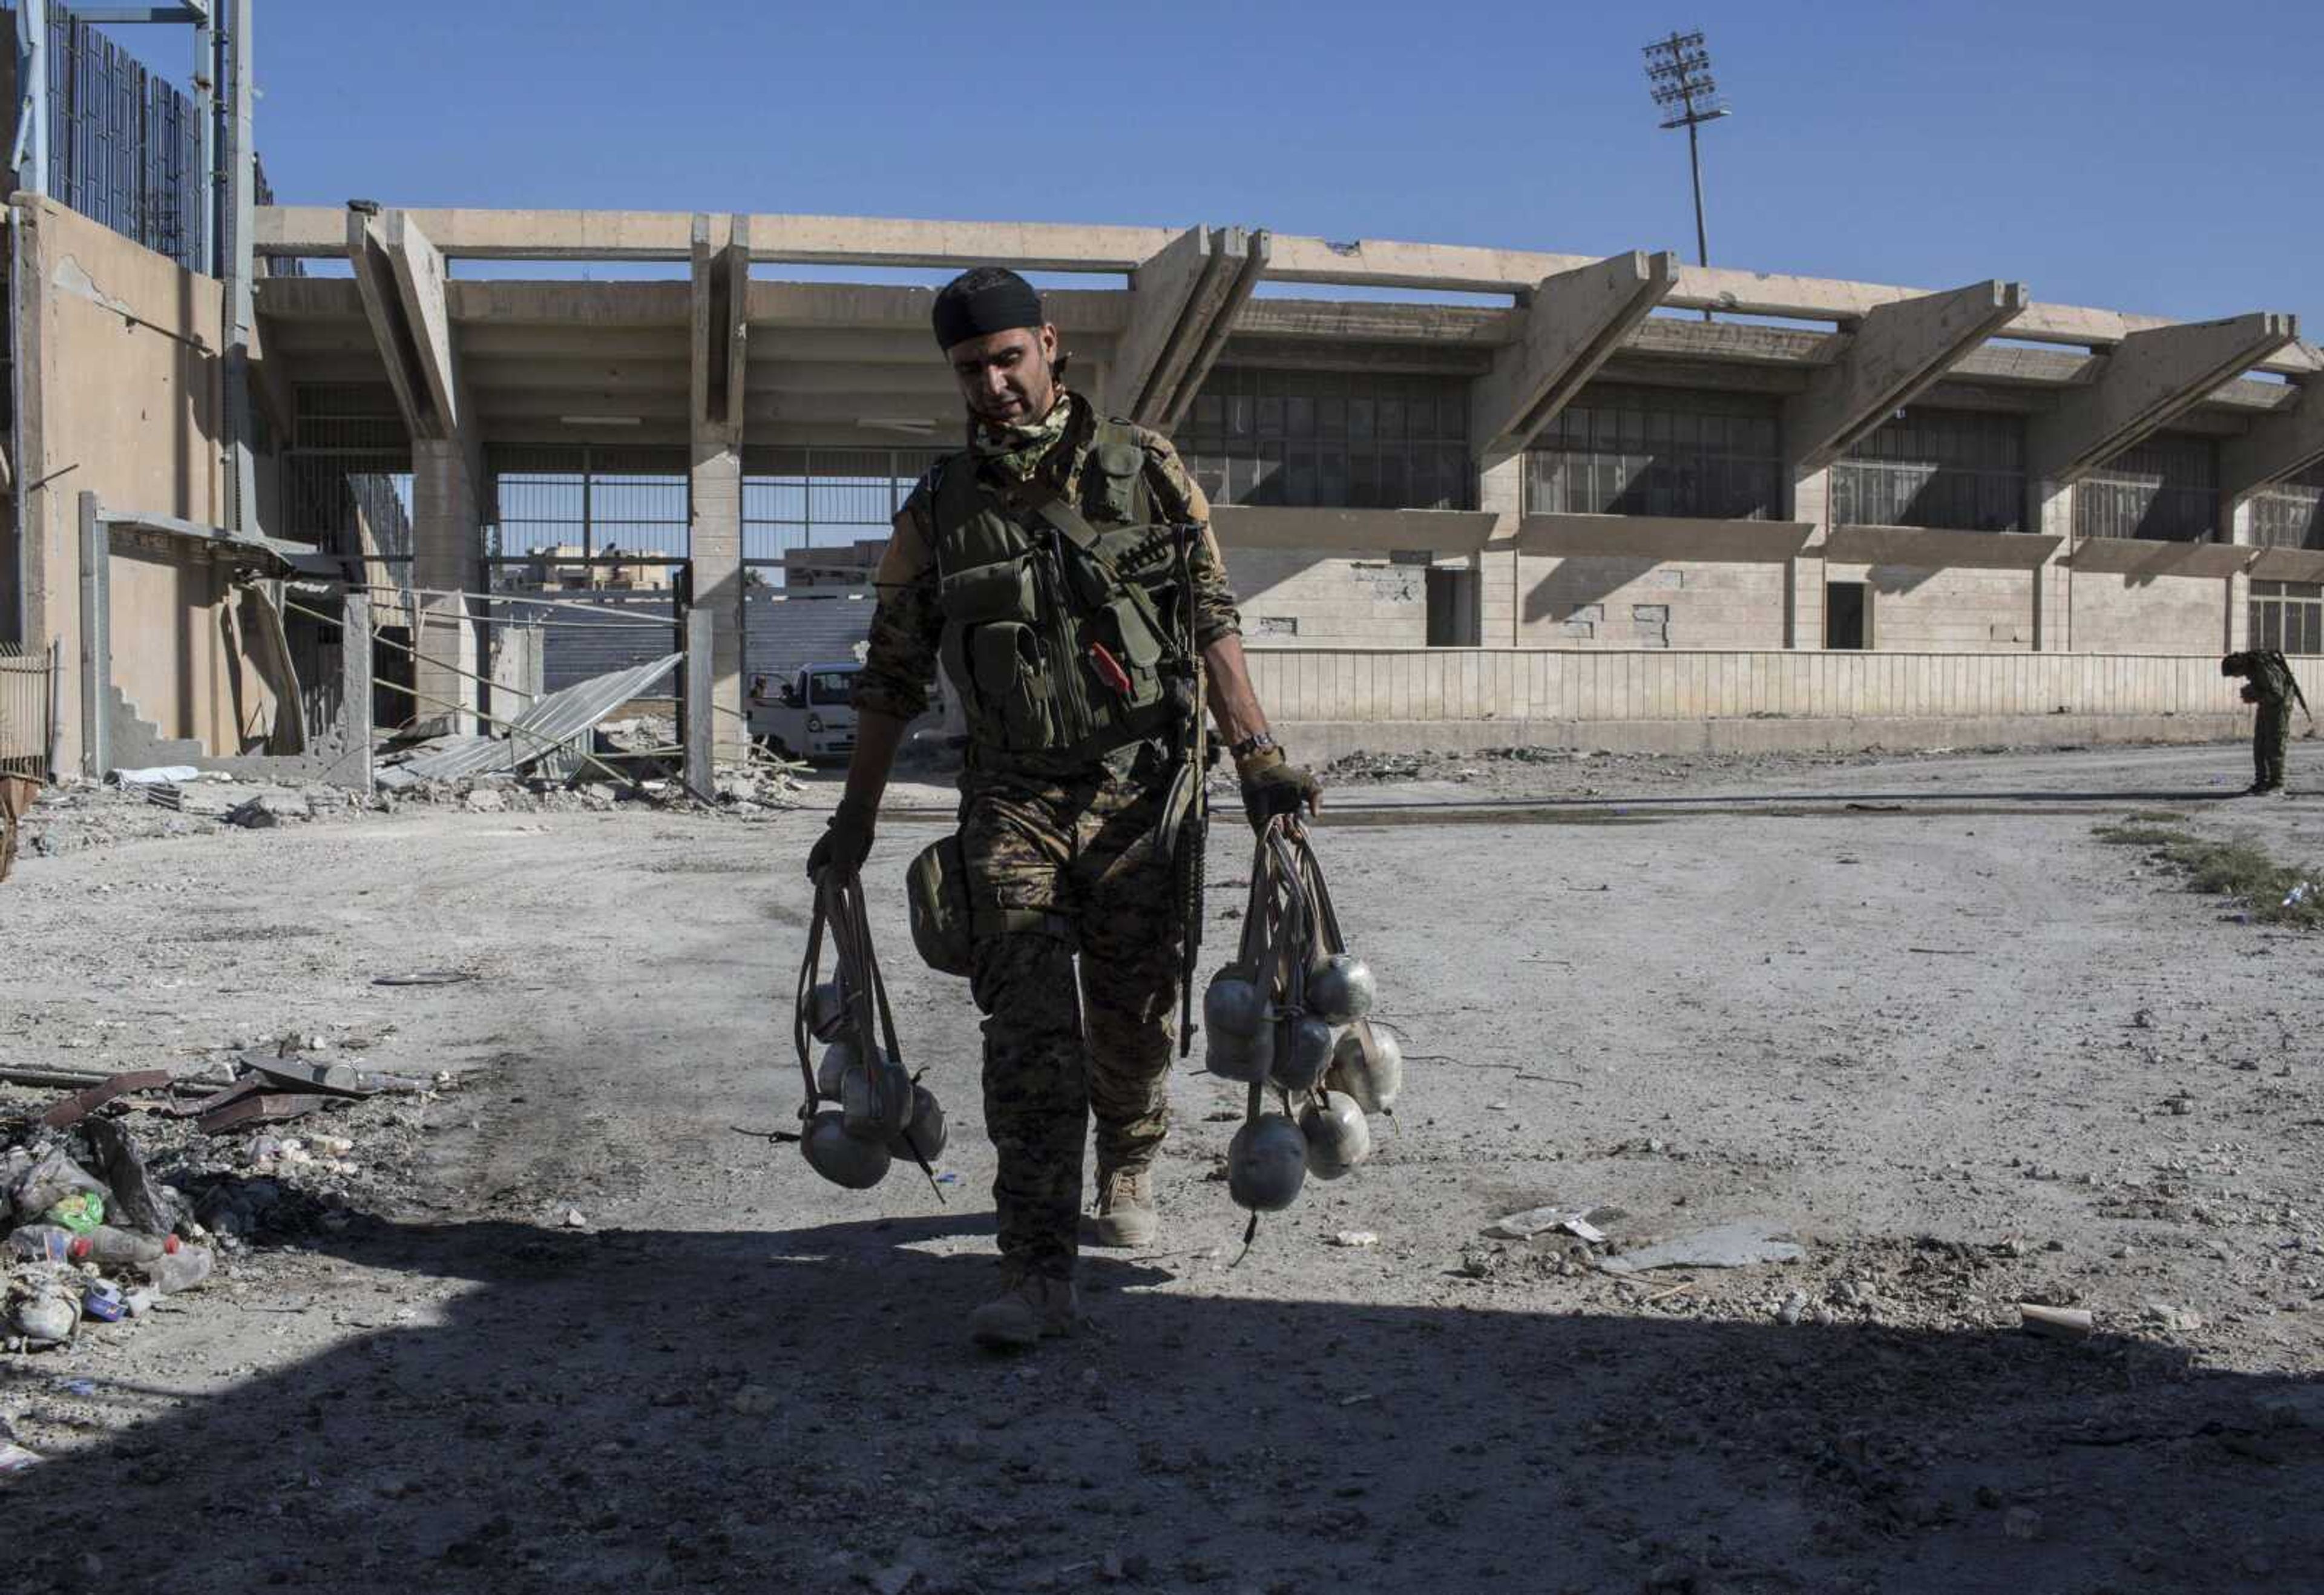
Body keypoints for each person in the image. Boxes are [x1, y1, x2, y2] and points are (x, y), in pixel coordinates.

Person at [805, 267, 1321, 1349]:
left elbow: (1211, 618)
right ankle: (1034, 1267)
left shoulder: (1147, 471)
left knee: (1131, 1024)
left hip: (1143, 793)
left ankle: (1128, 1150)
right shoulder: (938, 509)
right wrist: (853, 818)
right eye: (969, 369)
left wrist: (1258, 758)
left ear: (1051, 346)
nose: (992, 384)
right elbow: (892, 672)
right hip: (1013, 795)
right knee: (1029, 1036)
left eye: (1007, 359)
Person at [2220, 648, 2311, 794]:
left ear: (2240, 667)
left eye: (2235, 674)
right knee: (2260, 743)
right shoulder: (2253, 667)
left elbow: (2277, 694)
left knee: (2275, 743)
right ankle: (2262, 782)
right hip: (2267, 705)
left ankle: (2277, 784)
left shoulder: (2262, 667)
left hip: (2279, 707)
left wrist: (2255, 695)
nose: (2237, 677)